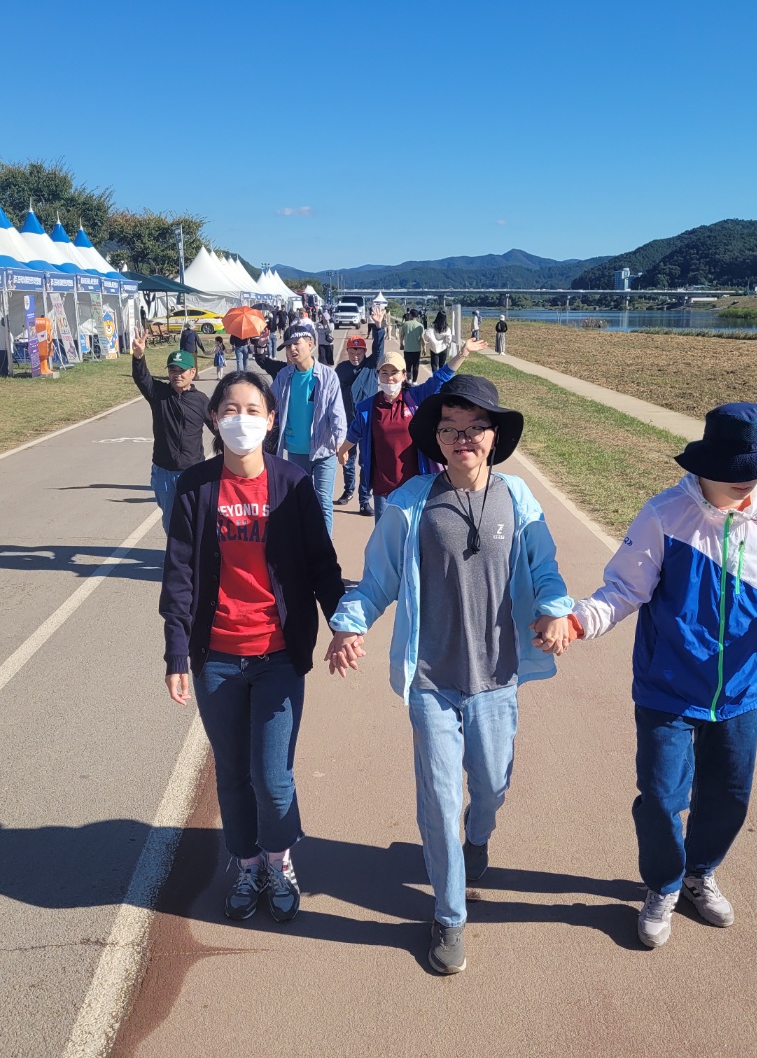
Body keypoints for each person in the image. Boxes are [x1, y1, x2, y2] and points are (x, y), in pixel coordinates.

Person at [563, 402, 757, 950]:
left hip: (741, 688)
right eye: (736, 471)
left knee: (729, 795)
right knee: (661, 796)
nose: (746, 482)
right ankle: (663, 884)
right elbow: (624, 589)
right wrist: (577, 621)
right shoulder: (664, 515)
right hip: (667, 687)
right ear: (706, 462)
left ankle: (699, 873)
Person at [325, 374, 573, 975]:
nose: (463, 438)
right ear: (435, 439)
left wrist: (554, 608)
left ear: (494, 436)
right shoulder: (411, 503)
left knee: (491, 786)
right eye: (450, 428)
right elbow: (378, 578)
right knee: (439, 797)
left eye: (475, 427)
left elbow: (544, 567)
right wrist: (349, 624)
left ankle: (478, 834)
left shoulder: (517, 498)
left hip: (497, 676)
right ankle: (449, 914)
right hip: (432, 680)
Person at [160, 371, 345, 923]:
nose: (241, 419)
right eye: (230, 409)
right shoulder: (195, 487)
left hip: (277, 655)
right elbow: (179, 576)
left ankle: (279, 860)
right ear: (215, 419)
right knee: (233, 773)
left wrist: (343, 624)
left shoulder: (293, 484)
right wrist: (176, 653)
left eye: (252, 410)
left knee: (272, 776)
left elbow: (322, 565)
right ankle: (245, 863)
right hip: (217, 657)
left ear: (271, 420)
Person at [337, 338, 480, 521]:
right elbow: (354, 432)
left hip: (415, 486)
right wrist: (343, 450)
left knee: (415, 534)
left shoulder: (414, 397)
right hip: (384, 489)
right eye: (384, 373)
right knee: (386, 535)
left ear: (404, 375)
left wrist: (463, 353)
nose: (389, 378)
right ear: (378, 375)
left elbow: (440, 378)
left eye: (394, 372)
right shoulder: (368, 407)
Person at [266, 323, 349, 535]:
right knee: (298, 501)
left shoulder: (327, 376)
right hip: (296, 451)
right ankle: (303, 545)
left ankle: (324, 547)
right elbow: (269, 404)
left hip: (324, 450)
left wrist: (341, 441)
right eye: (288, 346)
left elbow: (337, 412)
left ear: (310, 344)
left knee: (323, 501)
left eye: (296, 343)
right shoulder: (284, 376)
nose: (292, 349)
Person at [131, 333, 211, 519]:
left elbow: (219, 430)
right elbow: (142, 378)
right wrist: (138, 357)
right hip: (164, 473)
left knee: (195, 521)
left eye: (182, 370)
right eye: (173, 370)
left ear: (192, 372)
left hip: (193, 472)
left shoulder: (201, 401)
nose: (177, 375)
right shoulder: (158, 394)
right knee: (171, 523)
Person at [333, 335, 381, 515]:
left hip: (368, 422)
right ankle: (348, 490)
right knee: (347, 459)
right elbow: (333, 393)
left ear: (364, 352)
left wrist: (378, 329)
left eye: (359, 352)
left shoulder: (371, 366)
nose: (355, 356)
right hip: (347, 421)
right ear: (347, 351)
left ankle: (364, 500)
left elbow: (379, 349)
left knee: (366, 462)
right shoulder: (341, 369)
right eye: (352, 352)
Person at [399, 309, 425, 385]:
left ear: (410, 315)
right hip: (417, 349)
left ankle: (409, 379)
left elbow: (401, 336)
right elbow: (422, 338)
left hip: (407, 349)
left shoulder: (405, 324)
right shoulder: (420, 326)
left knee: (408, 365)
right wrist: (424, 348)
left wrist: (401, 344)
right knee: (416, 366)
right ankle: (415, 381)